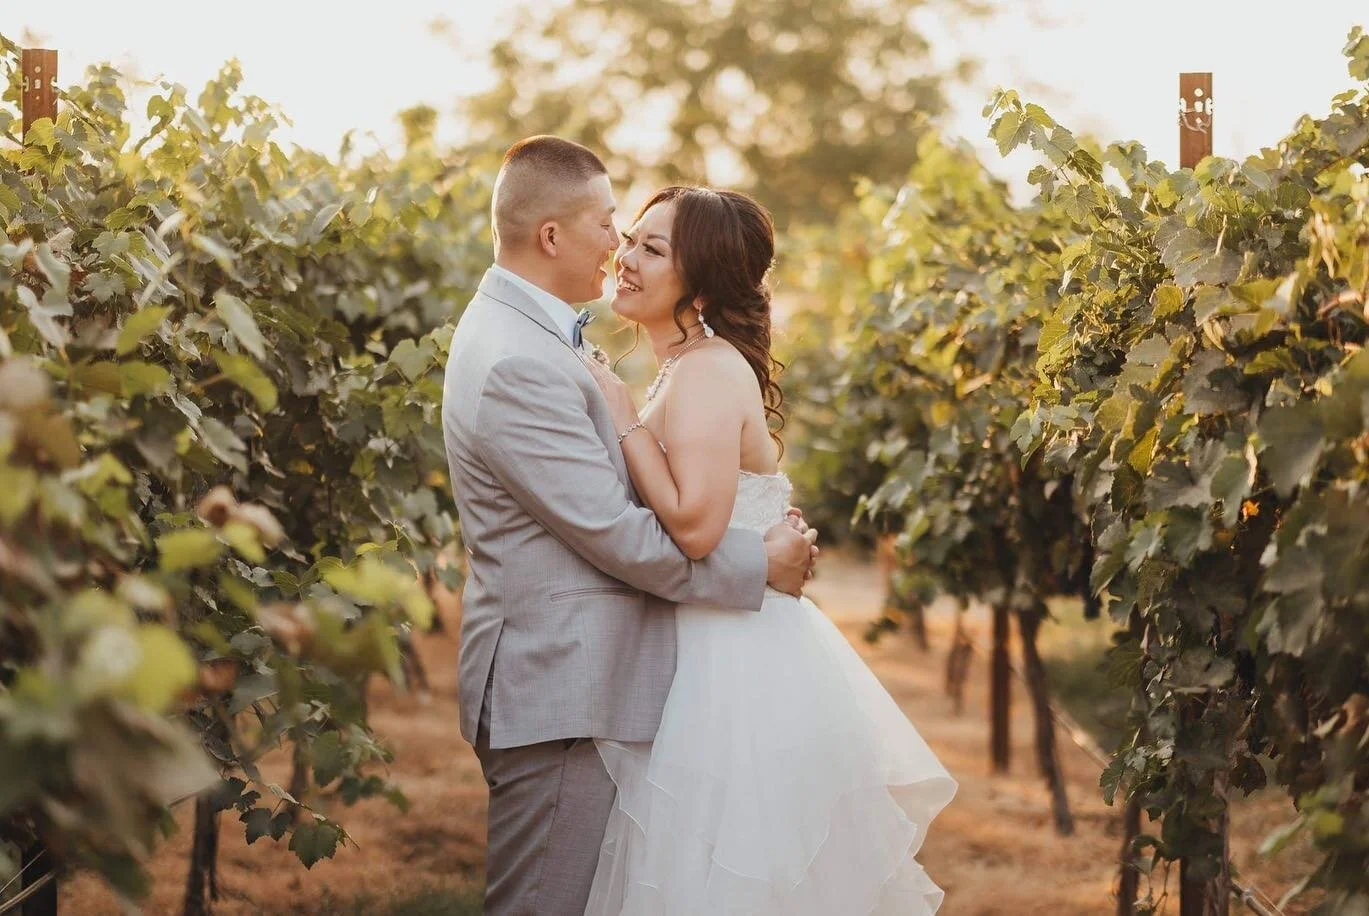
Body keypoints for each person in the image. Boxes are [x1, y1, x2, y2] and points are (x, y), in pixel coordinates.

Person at [439, 137, 819, 915]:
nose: (617, 248)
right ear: (553, 236)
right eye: (615, 226)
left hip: (605, 680)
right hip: (562, 685)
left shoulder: (539, 342)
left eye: (645, 240)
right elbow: (619, 535)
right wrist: (761, 566)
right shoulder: (521, 360)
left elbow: (663, 513)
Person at [580, 186, 958, 915]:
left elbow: (694, 526)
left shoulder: (710, 369)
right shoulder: (680, 368)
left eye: (652, 249)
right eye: (630, 238)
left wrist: (624, 420)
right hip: (703, 639)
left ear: (704, 279)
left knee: (724, 870)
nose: (624, 259)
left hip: (736, 668)